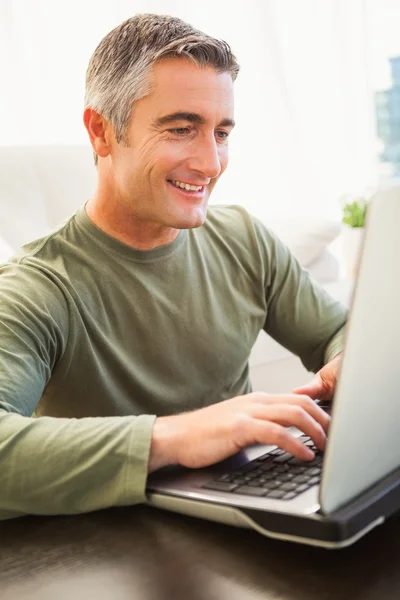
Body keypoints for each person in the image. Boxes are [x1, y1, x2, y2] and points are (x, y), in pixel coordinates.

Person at [0, 13, 347, 520]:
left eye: (221, 132)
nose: (210, 163)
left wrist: (348, 363)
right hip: (112, 553)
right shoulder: (36, 288)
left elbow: (338, 332)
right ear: (101, 132)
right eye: (182, 128)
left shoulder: (245, 239)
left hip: (253, 513)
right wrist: (174, 435)